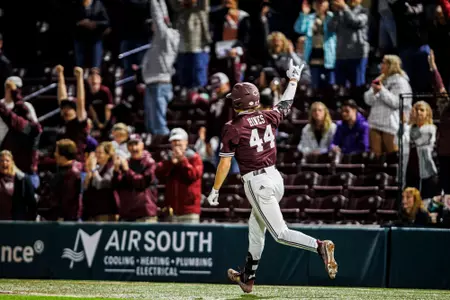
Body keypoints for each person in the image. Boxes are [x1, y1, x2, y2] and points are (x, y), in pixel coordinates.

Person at [206, 59, 337, 293]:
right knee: (256, 227)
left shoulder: (233, 126)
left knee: (280, 233)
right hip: (275, 178)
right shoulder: (267, 116)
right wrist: (294, 80)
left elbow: (225, 162)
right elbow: (285, 104)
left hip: (258, 182)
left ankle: (319, 246)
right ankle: (248, 276)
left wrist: (215, 189)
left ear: (237, 103)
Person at [364, 55, 412, 156]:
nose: (381, 65)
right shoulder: (379, 79)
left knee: (393, 156)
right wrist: (373, 91)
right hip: (375, 123)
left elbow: (397, 103)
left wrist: (381, 90)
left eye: (384, 63)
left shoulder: (401, 82)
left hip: (391, 125)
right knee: (376, 158)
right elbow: (368, 100)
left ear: (392, 65)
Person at [155, 128, 203, 223]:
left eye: (179, 141)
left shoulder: (194, 158)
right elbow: (159, 174)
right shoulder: (167, 158)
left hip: (189, 211)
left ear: (186, 142)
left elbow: (193, 175)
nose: (176, 144)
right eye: (174, 141)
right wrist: (171, 163)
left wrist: (182, 161)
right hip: (172, 211)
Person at [83, 142, 118, 221]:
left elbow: (101, 185)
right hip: (92, 211)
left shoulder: (111, 168)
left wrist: (93, 169)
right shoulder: (96, 167)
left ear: (108, 155)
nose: (97, 155)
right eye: (96, 152)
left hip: (105, 211)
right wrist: (89, 170)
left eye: (100, 153)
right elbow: (85, 187)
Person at [0, 150, 36, 221]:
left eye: (7, 160)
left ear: (12, 162)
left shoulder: (22, 179)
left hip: (15, 223)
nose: (4, 163)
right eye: (1, 160)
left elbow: (32, 204)